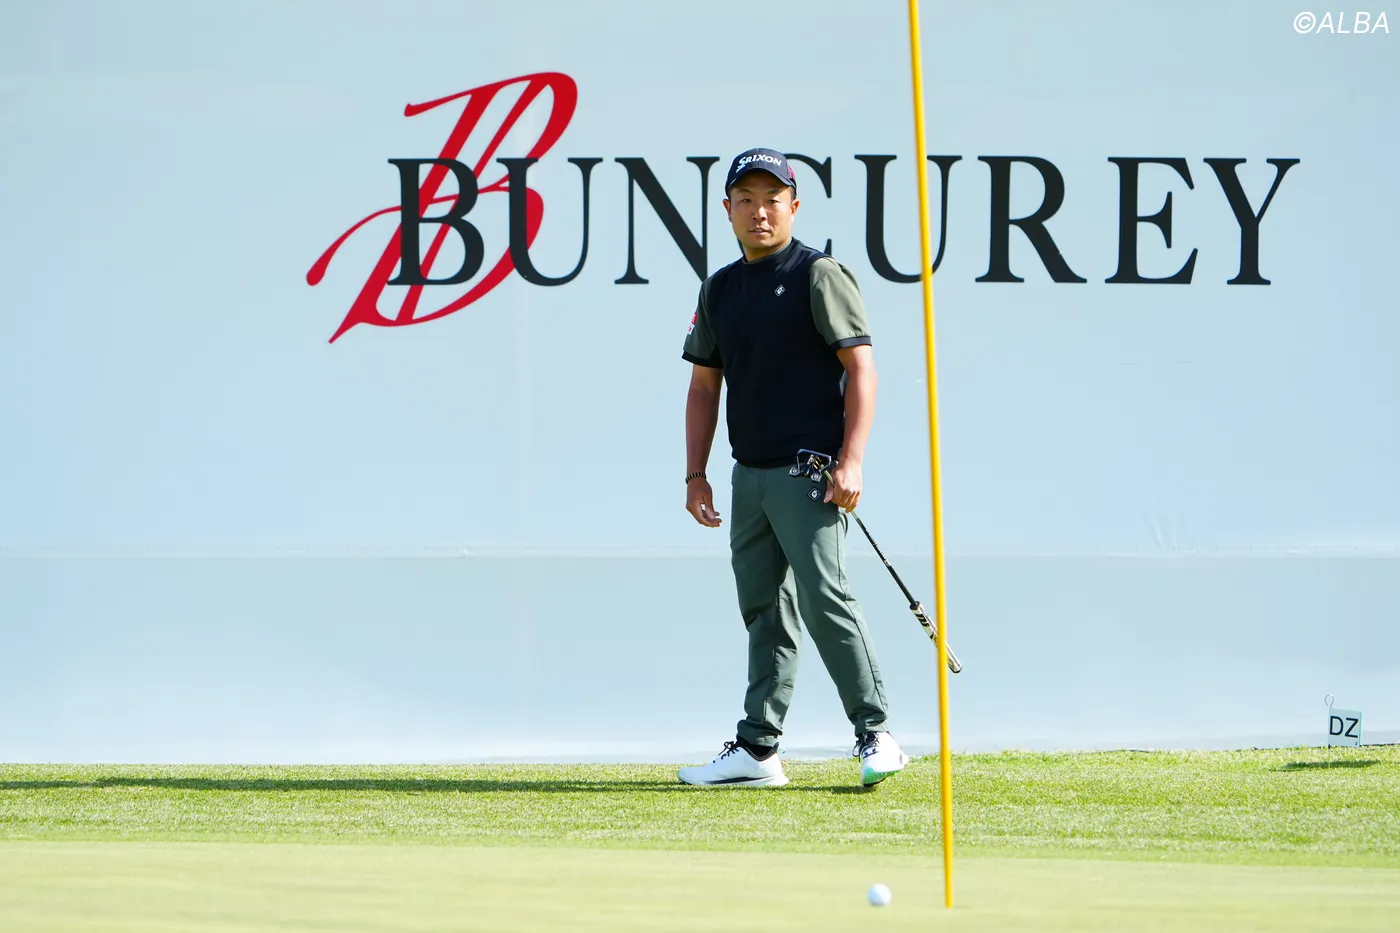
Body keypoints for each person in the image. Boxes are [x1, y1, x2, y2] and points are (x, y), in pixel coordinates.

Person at [677, 147, 907, 788]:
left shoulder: (818, 274)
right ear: (728, 210)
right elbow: (703, 386)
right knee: (764, 611)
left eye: (772, 200)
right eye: (746, 200)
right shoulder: (719, 288)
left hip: (809, 474)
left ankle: (876, 733)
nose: (759, 212)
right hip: (747, 475)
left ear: (794, 207)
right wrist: (695, 474)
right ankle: (758, 749)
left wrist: (852, 460)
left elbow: (861, 369)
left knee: (825, 599)